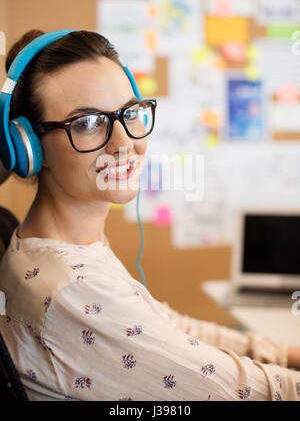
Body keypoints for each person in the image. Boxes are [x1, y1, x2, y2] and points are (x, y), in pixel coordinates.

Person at [0, 29, 299, 402]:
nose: (125, 143)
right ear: (27, 146)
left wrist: (285, 352)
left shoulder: (67, 248)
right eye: (88, 123)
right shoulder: (72, 288)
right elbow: (238, 392)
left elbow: (167, 327)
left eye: (130, 113)